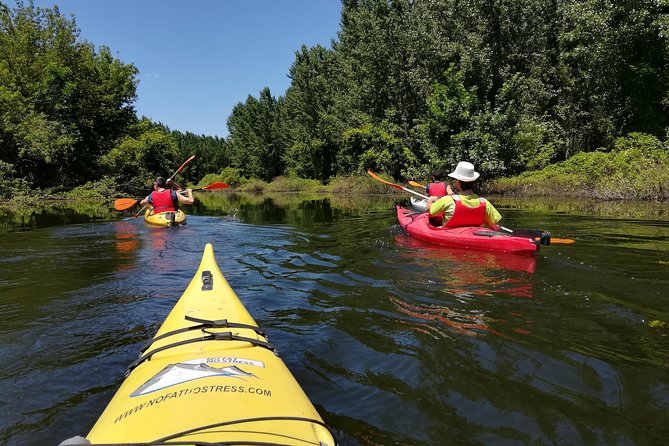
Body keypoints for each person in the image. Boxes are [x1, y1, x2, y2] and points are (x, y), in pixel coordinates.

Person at [426, 161, 502, 230]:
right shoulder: (484, 203)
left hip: (450, 237)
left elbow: (431, 211)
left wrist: (431, 200)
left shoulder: (448, 200)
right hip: (474, 237)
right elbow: (496, 227)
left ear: (458, 183)